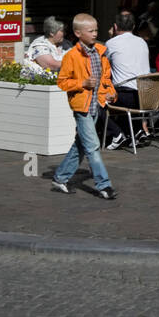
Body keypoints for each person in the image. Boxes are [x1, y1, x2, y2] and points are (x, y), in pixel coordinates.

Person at [52, 13, 117, 200]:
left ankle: (60, 178)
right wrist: (82, 83)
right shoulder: (71, 56)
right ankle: (104, 185)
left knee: (81, 145)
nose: (95, 33)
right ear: (78, 33)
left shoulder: (101, 52)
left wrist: (111, 92)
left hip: (97, 105)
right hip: (82, 108)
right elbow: (62, 82)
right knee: (93, 146)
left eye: (96, 30)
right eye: (91, 31)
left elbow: (106, 79)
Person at [106, 10, 153, 146]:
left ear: (115, 27)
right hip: (147, 96)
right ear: (133, 27)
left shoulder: (111, 43)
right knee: (123, 95)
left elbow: (104, 64)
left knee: (98, 100)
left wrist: (111, 38)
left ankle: (117, 134)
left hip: (126, 96)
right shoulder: (142, 42)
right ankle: (138, 131)